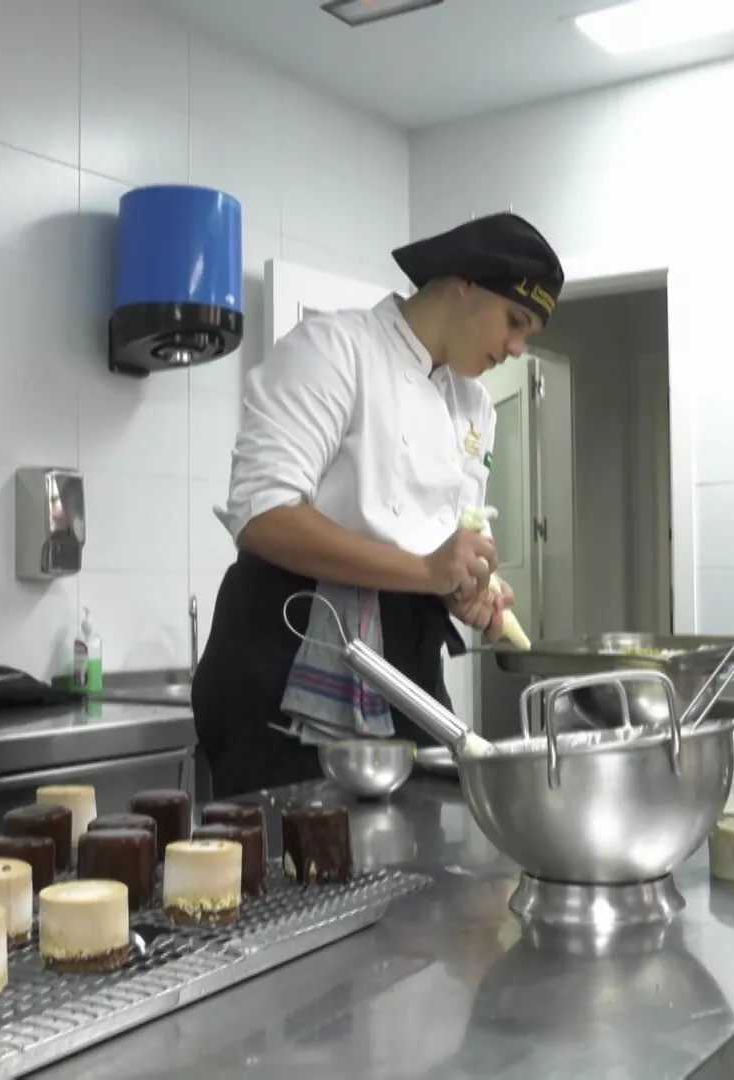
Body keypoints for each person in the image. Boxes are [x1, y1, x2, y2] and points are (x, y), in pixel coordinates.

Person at [191, 212, 563, 798]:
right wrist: (426, 570)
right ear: (461, 282)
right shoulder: (333, 349)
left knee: (423, 862)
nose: (517, 348)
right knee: (294, 865)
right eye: (514, 320)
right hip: (285, 656)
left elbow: (438, 549)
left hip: (406, 667)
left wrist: (463, 589)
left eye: (530, 334)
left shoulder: (476, 408)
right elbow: (262, 517)